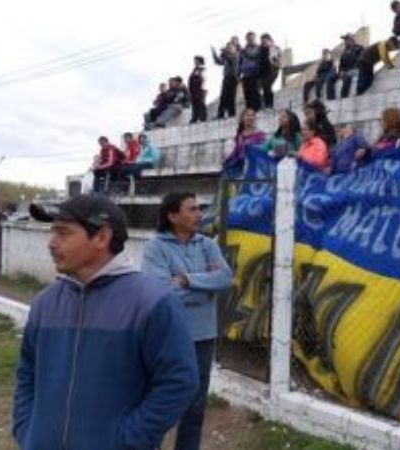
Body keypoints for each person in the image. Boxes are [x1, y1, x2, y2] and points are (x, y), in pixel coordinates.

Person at [15, 195, 199, 450]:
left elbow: (179, 382)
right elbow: (27, 373)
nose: (51, 243)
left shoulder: (154, 302)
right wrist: (27, 429)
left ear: (102, 237)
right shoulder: (45, 303)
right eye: (52, 232)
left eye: (63, 233)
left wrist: (128, 439)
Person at [142, 192, 233, 450]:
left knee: (195, 408)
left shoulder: (206, 244)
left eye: (198, 209)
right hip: (168, 335)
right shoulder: (156, 247)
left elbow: (225, 278)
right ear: (172, 216)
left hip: (203, 337)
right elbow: (159, 291)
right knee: (161, 401)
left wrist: (187, 280)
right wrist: (205, 288)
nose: (199, 214)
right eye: (192, 209)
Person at [223, 108, 267, 178]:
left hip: (254, 170)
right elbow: (235, 152)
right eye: (247, 115)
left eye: (252, 115)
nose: (250, 117)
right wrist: (227, 161)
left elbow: (264, 152)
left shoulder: (260, 135)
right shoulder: (240, 136)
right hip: (240, 169)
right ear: (242, 118)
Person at [212, 41, 240, 119]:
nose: (229, 49)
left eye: (230, 48)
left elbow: (231, 61)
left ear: (235, 49)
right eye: (228, 48)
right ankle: (221, 114)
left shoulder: (236, 56)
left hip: (233, 78)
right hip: (226, 77)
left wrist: (225, 53)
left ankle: (232, 114)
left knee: (231, 96)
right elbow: (219, 61)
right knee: (223, 96)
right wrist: (214, 53)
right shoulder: (227, 57)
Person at [336, 34, 364, 99]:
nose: (345, 42)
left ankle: (344, 98)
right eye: (344, 40)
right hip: (347, 71)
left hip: (357, 70)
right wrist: (340, 72)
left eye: (346, 40)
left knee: (348, 76)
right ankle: (342, 98)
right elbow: (341, 65)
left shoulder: (359, 48)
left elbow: (361, 60)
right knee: (342, 77)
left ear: (351, 40)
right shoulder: (344, 52)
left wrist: (349, 71)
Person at [239, 32, 262, 111]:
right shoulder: (244, 50)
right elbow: (240, 62)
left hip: (254, 72)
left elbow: (253, 56)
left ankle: (258, 108)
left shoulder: (258, 48)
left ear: (254, 38)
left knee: (255, 91)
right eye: (248, 38)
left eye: (252, 38)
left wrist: (244, 51)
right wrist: (239, 73)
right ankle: (249, 109)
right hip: (245, 74)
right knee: (247, 93)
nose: (250, 40)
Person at [259, 33, 281, 110]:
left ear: (270, 41)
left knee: (267, 86)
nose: (264, 43)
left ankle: (269, 105)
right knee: (258, 88)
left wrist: (271, 50)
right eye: (262, 42)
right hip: (262, 72)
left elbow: (276, 58)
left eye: (265, 41)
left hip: (272, 70)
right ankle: (262, 105)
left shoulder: (274, 48)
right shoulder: (260, 49)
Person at [189, 56, 208, 124]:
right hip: (194, 90)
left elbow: (203, 79)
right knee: (195, 104)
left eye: (196, 60)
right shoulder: (195, 69)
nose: (195, 62)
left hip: (200, 89)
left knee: (201, 103)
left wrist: (203, 89)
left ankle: (203, 117)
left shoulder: (202, 69)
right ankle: (195, 117)